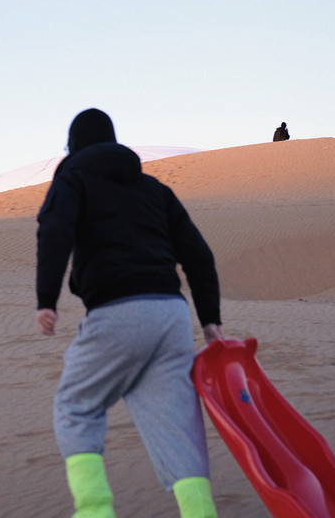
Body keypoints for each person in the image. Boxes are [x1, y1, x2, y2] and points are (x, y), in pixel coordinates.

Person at [35, 108, 225, 518]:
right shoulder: (154, 189)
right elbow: (197, 252)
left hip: (118, 310)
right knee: (176, 428)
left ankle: (94, 511)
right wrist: (210, 317)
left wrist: (46, 300)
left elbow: (54, 229)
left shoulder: (72, 179)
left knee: (76, 406)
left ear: (74, 148)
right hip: (172, 316)